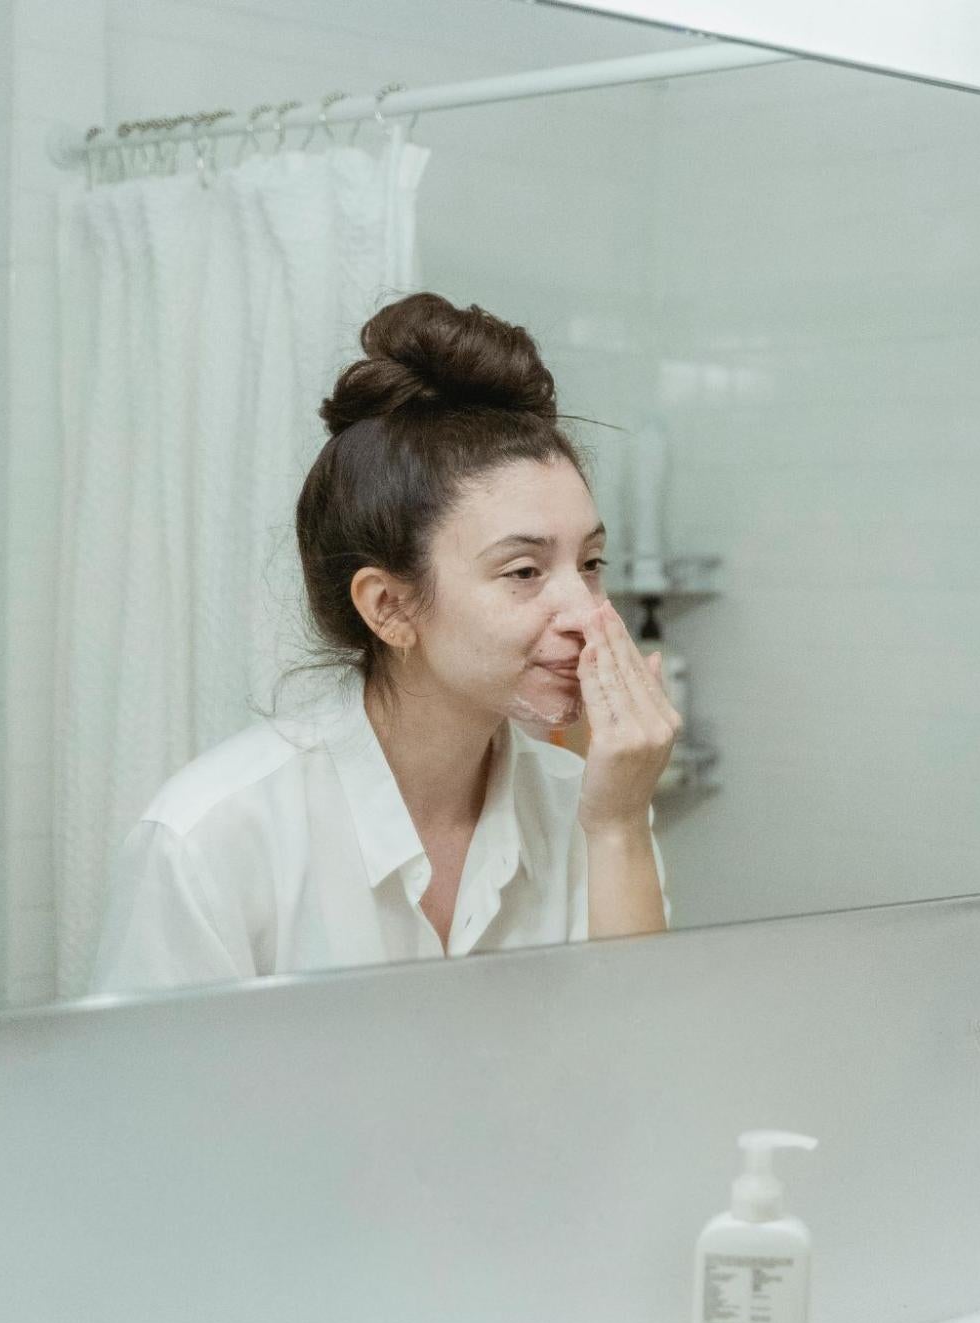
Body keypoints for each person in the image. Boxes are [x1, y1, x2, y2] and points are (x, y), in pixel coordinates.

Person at [94, 294, 678, 992]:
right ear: (390, 607)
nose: (586, 612)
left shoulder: (590, 808)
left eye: (589, 563)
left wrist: (617, 828)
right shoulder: (209, 841)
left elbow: (640, 1073)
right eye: (524, 571)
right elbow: (154, 1100)